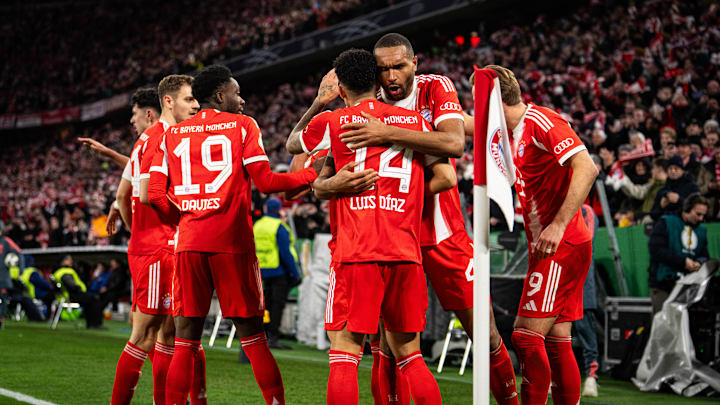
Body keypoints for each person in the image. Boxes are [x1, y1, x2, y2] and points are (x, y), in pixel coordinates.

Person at [324, 33, 518, 405]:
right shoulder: (367, 101)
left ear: (416, 63)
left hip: (443, 233)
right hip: (392, 233)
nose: (391, 76)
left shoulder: (434, 88)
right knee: (390, 343)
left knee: (485, 331)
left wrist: (387, 132)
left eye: (399, 66)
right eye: (383, 69)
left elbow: (454, 143)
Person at [147, 65, 318, 405]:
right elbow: (268, 183)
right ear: (221, 95)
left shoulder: (172, 133)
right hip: (231, 246)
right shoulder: (244, 125)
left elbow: (154, 195)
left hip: (190, 244)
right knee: (254, 339)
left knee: (185, 342)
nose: (243, 99)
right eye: (237, 93)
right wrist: (312, 173)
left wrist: (188, 214)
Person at [301, 48, 455, 404]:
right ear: (378, 81)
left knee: (345, 353)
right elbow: (446, 176)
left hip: (357, 251)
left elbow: (295, 146)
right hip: (405, 251)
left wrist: (329, 184)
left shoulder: (335, 121)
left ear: (341, 88)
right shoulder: (415, 122)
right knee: (411, 356)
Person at [485, 65, 598, 405]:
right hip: (551, 245)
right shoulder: (514, 130)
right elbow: (465, 123)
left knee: (525, 336)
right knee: (558, 338)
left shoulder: (541, 122)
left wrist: (559, 224)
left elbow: (587, 167)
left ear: (497, 103)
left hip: (561, 244)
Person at [111, 77, 205, 405]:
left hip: (159, 244)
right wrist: (188, 217)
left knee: (170, 335)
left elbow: (127, 195)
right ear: (168, 102)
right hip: (159, 246)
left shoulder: (159, 137)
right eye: (190, 99)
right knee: (145, 335)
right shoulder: (160, 136)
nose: (196, 105)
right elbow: (144, 193)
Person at [648, 193, 709, 315]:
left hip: (687, 288)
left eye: (703, 215)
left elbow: (704, 255)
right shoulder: (666, 222)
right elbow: (656, 249)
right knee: (664, 327)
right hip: (663, 284)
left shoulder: (701, 231)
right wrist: (683, 262)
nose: (701, 219)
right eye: (698, 214)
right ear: (686, 210)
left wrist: (699, 262)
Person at [254, 197, 301, 350]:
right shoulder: (280, 226)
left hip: (261, 270)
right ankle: (273, 337)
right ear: (279, 210)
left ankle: (263, 334)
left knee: (264, 306)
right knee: (277, 306)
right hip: (278, 271)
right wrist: (295, 273)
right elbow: (285, 253)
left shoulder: (258, 225)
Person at [575, 205, 600, 397]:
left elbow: (585, 239)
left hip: (582, 284)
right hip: (558, 279)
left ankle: (591, 377)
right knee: (556, 331)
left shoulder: (586, 211)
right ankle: (553, 377)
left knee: (585, 329)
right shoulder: (553, 205)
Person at [53, 255, 105, 329]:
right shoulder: (66, 271)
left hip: (64, 296)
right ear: (64, 261)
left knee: (90, 299)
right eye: (69, 259)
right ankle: (95, 324)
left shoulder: (58, 271)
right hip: (70, 295)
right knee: (94, 298)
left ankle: (92, 324)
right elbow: (71, 284)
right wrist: (78, 288)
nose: (71, 261)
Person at [650, 155, 700, 220]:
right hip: (665, 225)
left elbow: (698, 208)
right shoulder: (662, 190)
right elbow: (653, 215)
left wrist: (679, 200)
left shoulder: (692, 187)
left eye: (676, 168)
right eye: (670, 168)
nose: (673, 171)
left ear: (682, 171)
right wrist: (661, 207)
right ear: (667, 171)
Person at [0, 220, 24, 328]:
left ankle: (1, 319)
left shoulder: (6, 242)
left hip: (3, 278)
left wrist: (21, 270)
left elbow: (19, 253)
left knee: (2, 299)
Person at [697, 141, 720, 219]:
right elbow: (698, 189)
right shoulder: (706, 168)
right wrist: (709, 186)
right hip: (710, 210)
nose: (719, 156)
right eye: (717, 153)